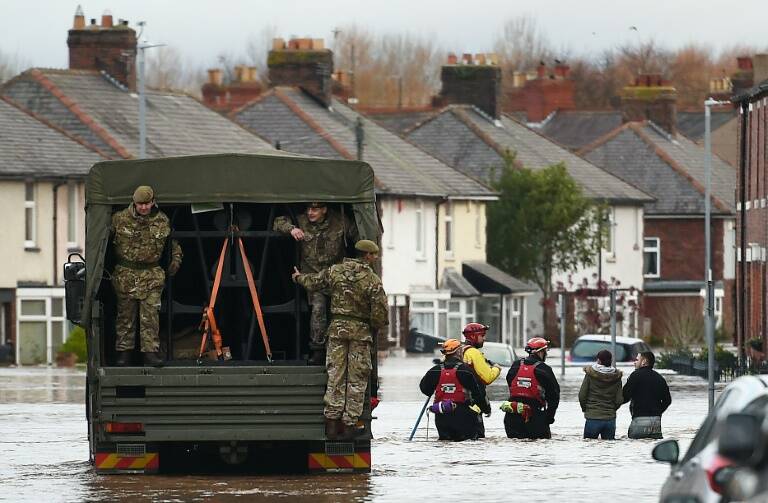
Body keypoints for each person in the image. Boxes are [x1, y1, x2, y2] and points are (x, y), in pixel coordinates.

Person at [292, 239, 387, 440]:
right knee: (357, 378)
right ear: (367, 256)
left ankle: (332, 425)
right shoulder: (372, 280)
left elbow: (314, 282)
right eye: (375, 255)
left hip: (336, 331)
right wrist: (373, 326)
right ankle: (349, 425)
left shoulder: (335, 271)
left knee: (335, 375)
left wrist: (298, 277)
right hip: (360, 333)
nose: (375, 258)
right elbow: (380, 314)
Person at [274, 202, 359, 364]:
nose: (310, 213)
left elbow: (357, 235)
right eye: (308, 209)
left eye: (315, 209)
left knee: (340, 312)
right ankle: (318, 349)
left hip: (335, 276)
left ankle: (340, 350)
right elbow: (278, 222)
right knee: (318, 309)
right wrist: (291, 229)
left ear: (324, 210)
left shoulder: (340, 221)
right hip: (313, 278)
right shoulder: (301, 221)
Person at [111, 185, 182, 366]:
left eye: (147, 204)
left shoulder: (161, 221)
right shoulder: (119, 220)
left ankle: (150, 354)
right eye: (140, 204)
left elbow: (173, 244)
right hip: (126, 275)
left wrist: (175, 261)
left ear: (152, 202)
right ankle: (124, 354)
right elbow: (104, 245)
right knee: (125, 316)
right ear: (133, 203)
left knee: (150, 316)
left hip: (152, 274)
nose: (143, 208)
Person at [419, 339, 490, 441]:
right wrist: (485, 409)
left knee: (445, 442)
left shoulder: (434, 370)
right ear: (458, 352)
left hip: (441, 417)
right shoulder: (466, 370)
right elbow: (478, 394)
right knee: (465, 443)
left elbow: (425, 389)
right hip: (463, 415)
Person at [503, 337, 560, 439]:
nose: (546, 354)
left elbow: (510, 384)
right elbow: (554, 396)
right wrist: (549, 418)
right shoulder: (544, 369)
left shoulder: (515, 365)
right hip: (535, 418)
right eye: (545, 351)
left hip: (512, 417)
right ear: (540, 352)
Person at [459, 322, 501, 438]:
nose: (484, 338)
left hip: (452, 407)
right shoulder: (474, 353)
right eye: (482, 335)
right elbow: (487, 378)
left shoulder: (455, 351)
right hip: (472, 407)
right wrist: (497, 368)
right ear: (473, 336)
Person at [623, 351, 671, 439]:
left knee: (636, 448)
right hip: (656, 422)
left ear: (644, 361)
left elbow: (625, 396)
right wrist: (657, 412)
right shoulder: (660, 378)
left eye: (637, 360)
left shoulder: (635, 376)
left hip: (639, 419)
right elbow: (668, 400)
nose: (634, 362)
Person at [578, 349, 624, 440]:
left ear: (598, 360)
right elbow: (619, 400)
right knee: (608, 450)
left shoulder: (590, 374)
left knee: (589, 448)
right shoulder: (616, 376)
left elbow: (582, 395)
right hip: (610, 420)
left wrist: (585, 409)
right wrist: (611, 409)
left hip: (593, 417)